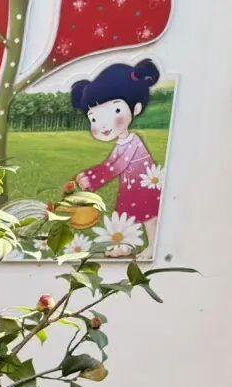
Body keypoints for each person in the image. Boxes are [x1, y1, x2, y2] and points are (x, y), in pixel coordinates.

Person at [72, 59, 163, 257]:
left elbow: (118, 166)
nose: (103, 125)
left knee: (149, 217)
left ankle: (152, 246)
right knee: (123, 215)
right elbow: (110, 163)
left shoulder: (134, 141)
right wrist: (89, 174)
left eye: (115, 110)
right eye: (94, 118)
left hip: (144, 186)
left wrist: (93, 179)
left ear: (136, 109)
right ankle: (124, 245)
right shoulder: (121, 143)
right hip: (129, 188)